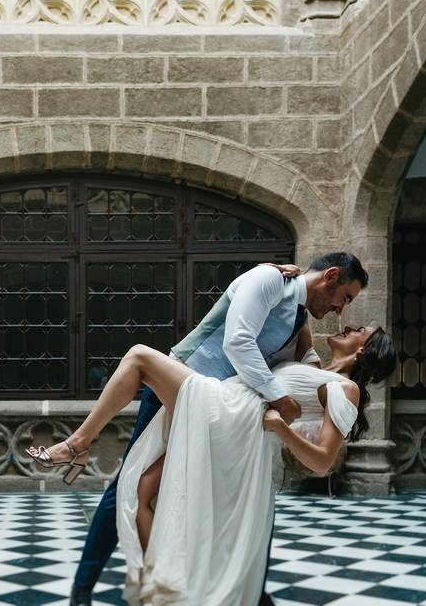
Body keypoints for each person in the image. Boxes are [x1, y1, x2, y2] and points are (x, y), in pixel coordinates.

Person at [27, 252, 369, 605]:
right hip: (181, 390)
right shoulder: (268, 280)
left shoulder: (300, 321)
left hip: (225, 416)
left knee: (252, 501)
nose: (341, 310)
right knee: (131, 485)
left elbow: (309, 369)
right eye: (345, 297)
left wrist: (341, 374)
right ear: (330, 276)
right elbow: (237, 341)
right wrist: (279, 397)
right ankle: (83, 587)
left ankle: (251, 591)